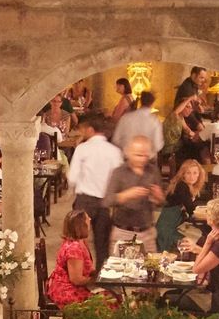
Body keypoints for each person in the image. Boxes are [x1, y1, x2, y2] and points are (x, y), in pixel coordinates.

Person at [66, 113, 123, 268]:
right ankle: (100, 274)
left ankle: (80, 272)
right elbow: (118, 179)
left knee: (77, 242)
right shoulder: (114, 151)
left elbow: (72, 177)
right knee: (102, 244)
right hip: (105, 202)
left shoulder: (82, 149)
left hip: (84, 201)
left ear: (90, 130)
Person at [180, 196, 219, 318]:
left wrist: (207, 243)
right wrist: (197, 249)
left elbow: (196, 269)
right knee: (177, 292)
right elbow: (218, 258)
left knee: (167, 300)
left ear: (212, 219)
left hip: (218, 299)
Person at [105, 136, 165, 251]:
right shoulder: (119, 172)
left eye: (145, 156)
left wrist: (159, 197)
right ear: (128, 153)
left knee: (152, 262)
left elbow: (161, 202)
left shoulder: (153, 171)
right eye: (138, 155)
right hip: (123, 232)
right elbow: (107, 200)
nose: (142, 159)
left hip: (147, 232)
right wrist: (126, 195)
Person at [155, 158, 208, 251]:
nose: (192, 176)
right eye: (188, 173)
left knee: (200, 238)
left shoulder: (187, 186)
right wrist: (206, 212)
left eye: (195, 173)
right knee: (201, 240)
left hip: (175, 226)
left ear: (199, 174)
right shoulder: (182, 186)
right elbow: (191, 209)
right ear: (183, 174)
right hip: (167, 229)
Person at [46, 209, 96, 304]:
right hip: (67, 291)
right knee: (111, 300)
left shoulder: (81, 241)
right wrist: (95, 281)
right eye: (87, 218)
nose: (90, 219)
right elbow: (76, 280)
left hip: (76, 286)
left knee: (112, 295)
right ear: (81, 225)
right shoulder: (74, 248)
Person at [113, 89, 163, 158]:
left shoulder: (126, 118)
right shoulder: (155, 121)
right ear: (152, 103)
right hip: (147, 160)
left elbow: (116, 140)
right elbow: (158, 145)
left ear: (140, 101)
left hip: (127, 158)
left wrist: (127, 149)